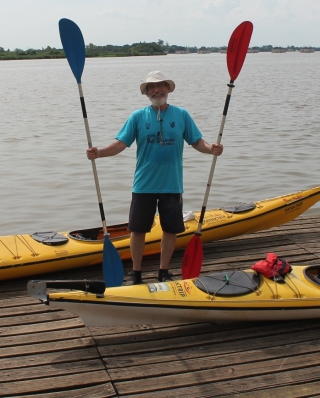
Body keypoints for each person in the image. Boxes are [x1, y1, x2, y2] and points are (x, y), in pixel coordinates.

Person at [86, 71, 223, 285]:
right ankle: (137, 273)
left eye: (160, 86)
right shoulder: (138, 117)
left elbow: (197, 142)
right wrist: (100, 152)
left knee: (170, 230)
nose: (156, 90)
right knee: (138, 230)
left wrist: (210, 149)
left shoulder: (182, 115)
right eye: (151, 87)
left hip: (172, 184)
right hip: (143, 185)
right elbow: (120, 144)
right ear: (146, 93)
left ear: (168, 89)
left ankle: (163, 271)